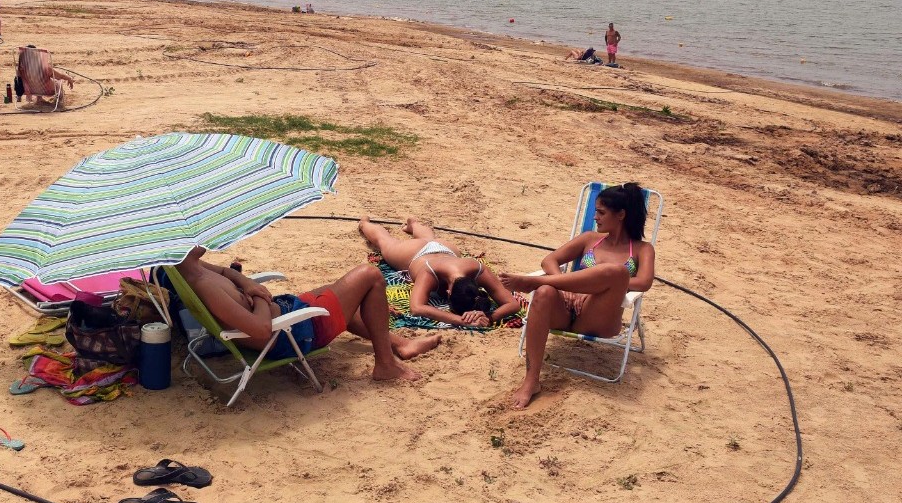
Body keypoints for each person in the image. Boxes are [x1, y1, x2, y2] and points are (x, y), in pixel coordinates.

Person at [499, 183, 656, 409]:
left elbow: (644, 282)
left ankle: (535, 281)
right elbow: (549, 261)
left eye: (601, 212)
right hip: (565, 308)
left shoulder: (642, 249)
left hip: (598, 317)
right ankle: (531, 380)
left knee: (617, 272)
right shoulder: (589, 239)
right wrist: (565, 287)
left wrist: (601, 285)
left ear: (621, 214)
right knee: (543, 293)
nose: (595, 217)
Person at [177, 247, 441, 381]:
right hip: (294, 334)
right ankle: (386, 365)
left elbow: (226, 272)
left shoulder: (190, 269)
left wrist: (247, 284)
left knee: (341, 296)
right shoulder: (206, 287)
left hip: (288, 313)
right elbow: (259, 330)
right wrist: (259, 296)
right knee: (370, 276)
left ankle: (401, 344)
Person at [359, 217, 521, 328]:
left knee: (429, 238)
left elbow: (513, 304)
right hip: (417, 254)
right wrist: (460, 320)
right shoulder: (431, 274)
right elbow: (416, 307)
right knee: (384, 242)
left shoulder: (477, 268)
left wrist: (490, 317)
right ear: (448, 292)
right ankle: (364, 223)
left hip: (446, 249)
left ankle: (414, 225)